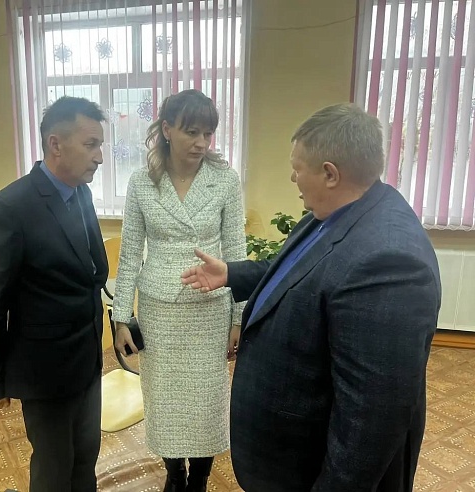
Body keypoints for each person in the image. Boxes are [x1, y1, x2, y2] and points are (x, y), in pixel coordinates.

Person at [181, 103, 441, 492]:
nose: (292, 177)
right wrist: (232, 274)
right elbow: (297, 274)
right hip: (286, 458)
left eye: (297, 167)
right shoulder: (334, 213)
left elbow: (371, 421)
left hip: (311, 470)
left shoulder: (388, 260)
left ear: (330, 174)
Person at [0, 96, 109, 492]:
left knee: (85, 458)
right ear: (55, 144)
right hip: (44, 368)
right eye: (91, 144)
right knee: (53, 469)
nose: (99, 157)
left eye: (100, 145)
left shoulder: (81, 193)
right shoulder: (10, 208)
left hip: (86, 359)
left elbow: (90, 272)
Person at [112, 89, 246, 492]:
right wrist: (121, 318)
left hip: (209, 309)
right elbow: (129, 254)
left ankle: (199, 478)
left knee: (206, 401)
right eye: (192, 132)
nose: (201, 142)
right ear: (167, 130)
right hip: (160, 312)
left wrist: (238, 318)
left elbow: (236, 252)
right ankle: (174, 473)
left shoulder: (225, 180)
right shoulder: (142, 182)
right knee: (166, 400)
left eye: (208, 133)